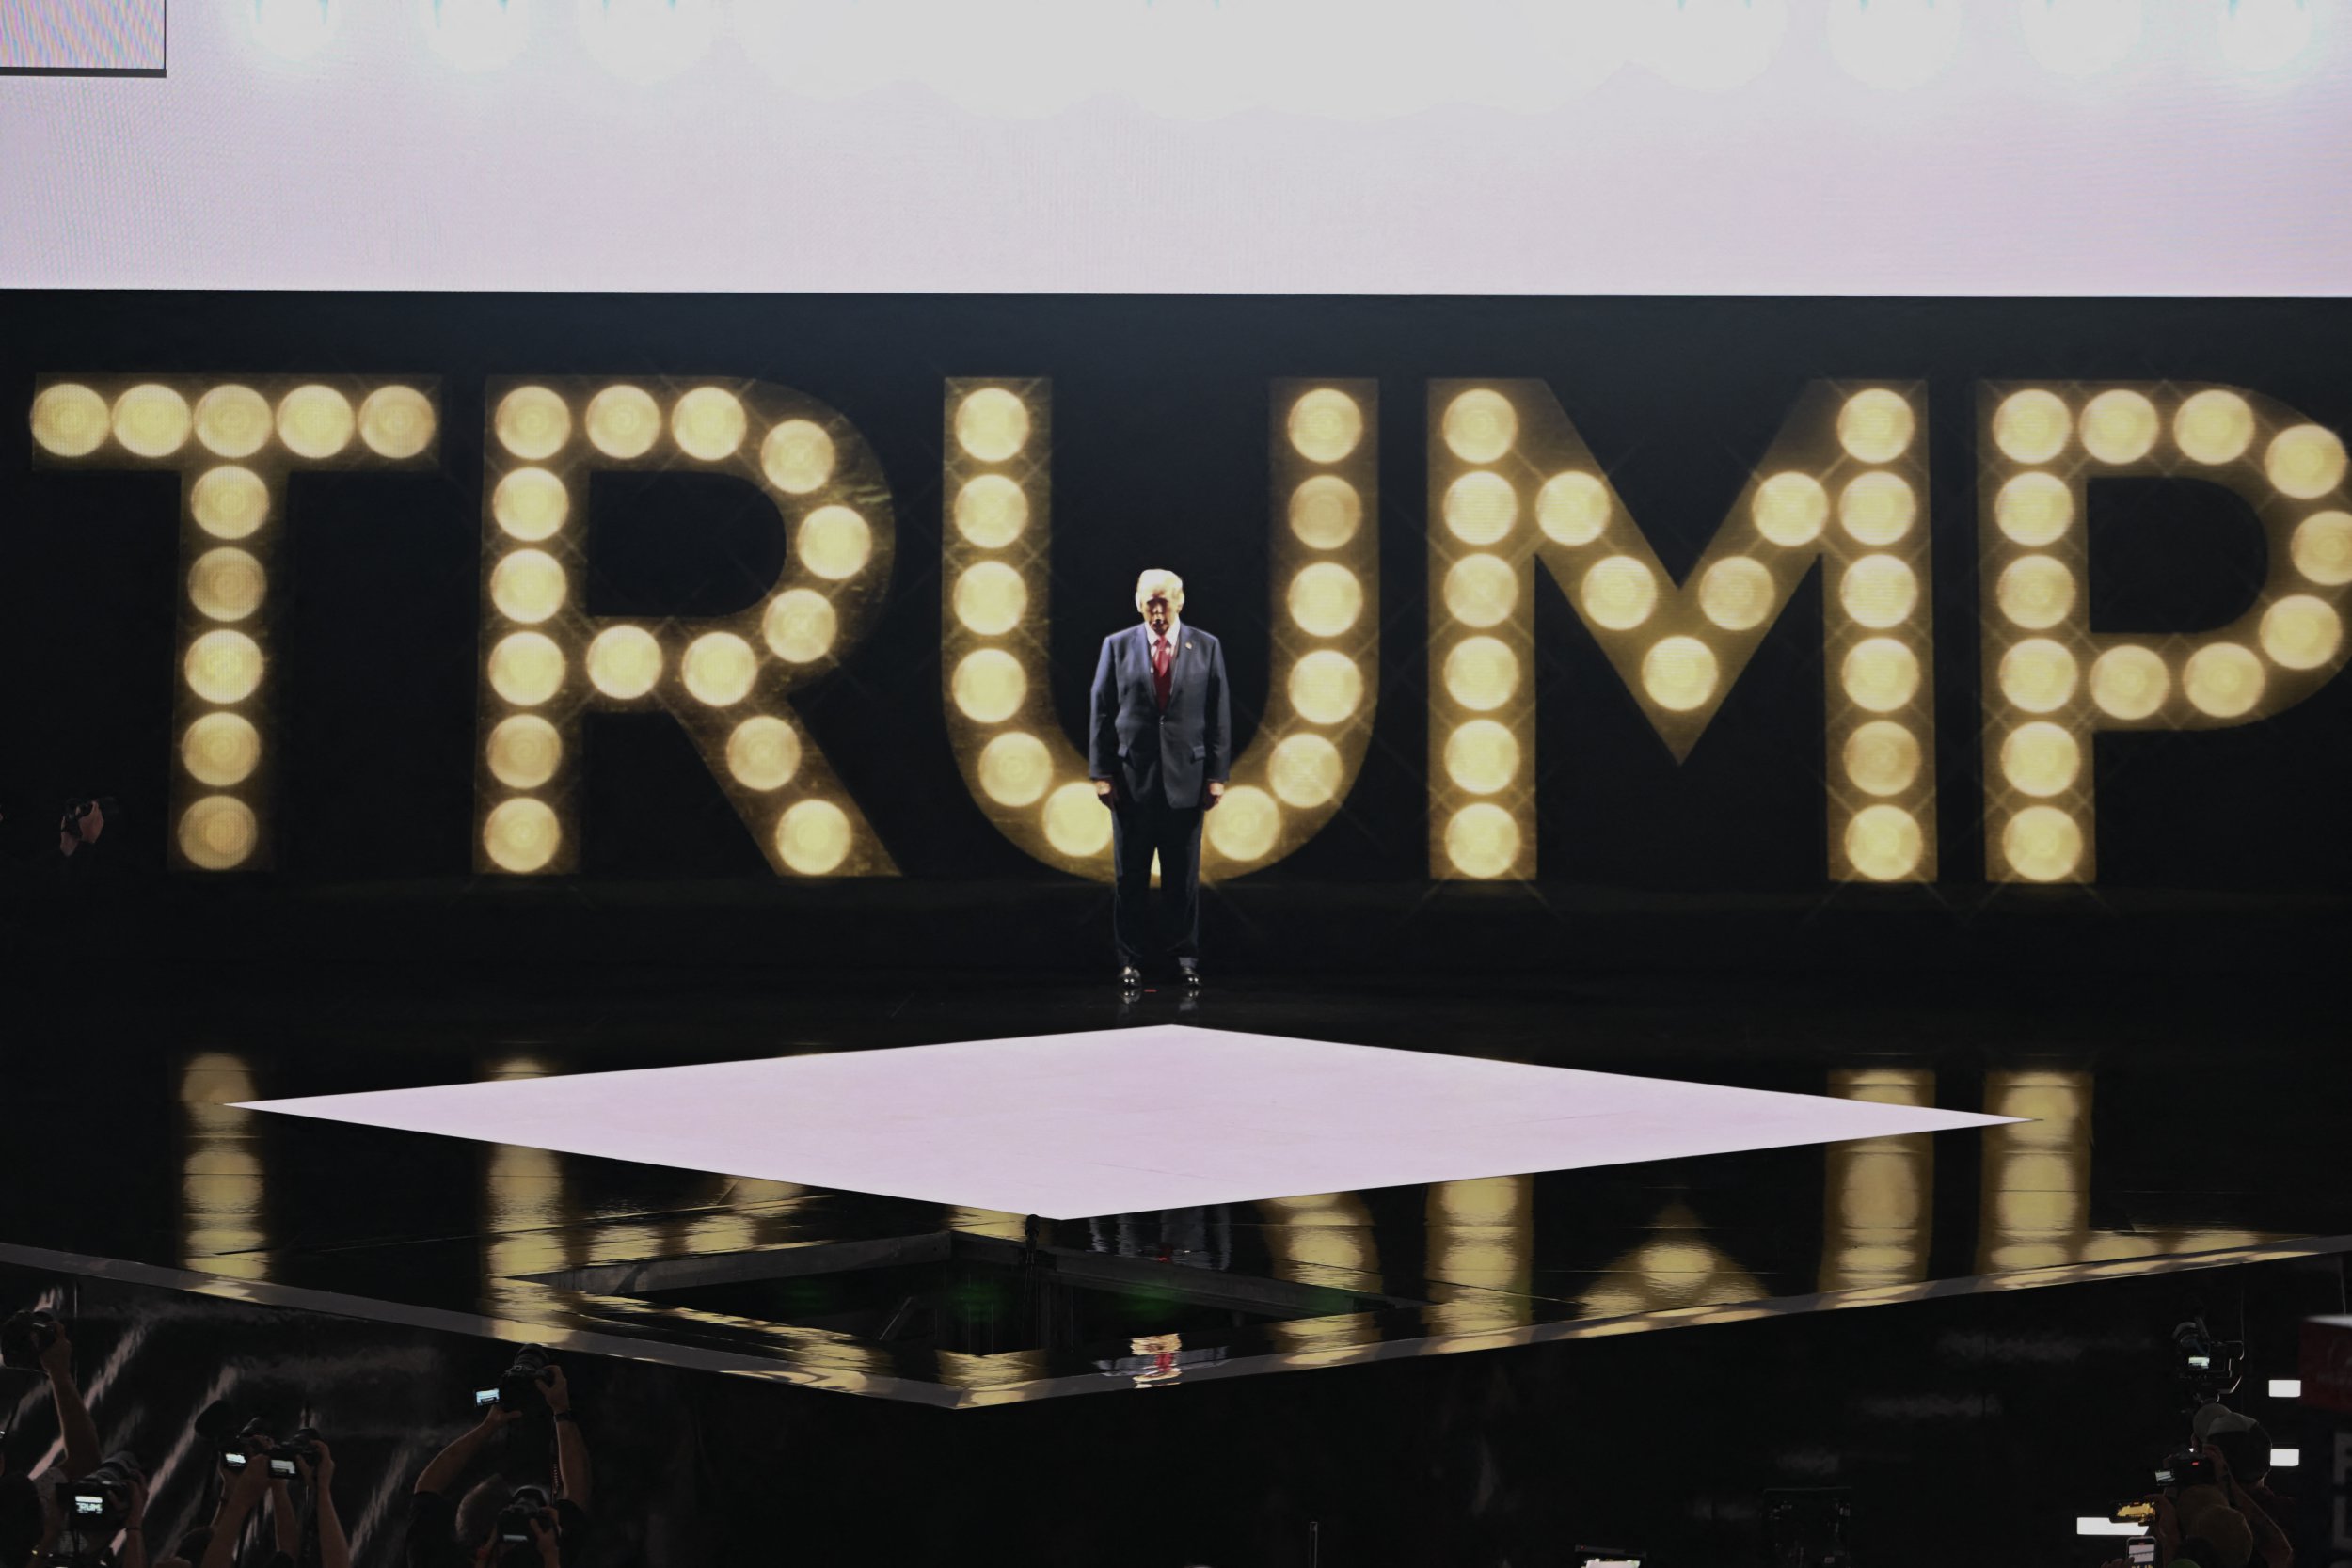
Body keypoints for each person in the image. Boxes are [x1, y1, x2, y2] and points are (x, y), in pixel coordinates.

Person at [1088, 568, 1231, 990]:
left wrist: (1217, 775)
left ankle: (1185, 957)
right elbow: (1100, 710)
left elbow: (1218, 713)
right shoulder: (1116, 647)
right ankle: (1129, 960)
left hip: (1187, 780)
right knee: (1128, 878)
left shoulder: (1206, 646)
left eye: (1163, 601)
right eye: (1149, 601)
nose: (1156, 610)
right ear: (1137, 603)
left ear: (1179, 601)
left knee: (1181, 879)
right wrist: (1101, 773)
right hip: (1132, 782)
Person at [407, 1364, 592, 1568]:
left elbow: (427, 1489)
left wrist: (489, 1426)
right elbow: (576, 1496)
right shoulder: (543, 1553)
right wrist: (561, 1412)